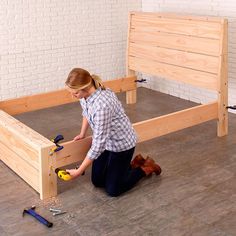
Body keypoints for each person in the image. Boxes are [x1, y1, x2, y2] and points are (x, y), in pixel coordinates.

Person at [65, 68, 162, 197]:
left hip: (121, 145)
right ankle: (131, 165)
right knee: (97, 181)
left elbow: (98, 145)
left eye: (75, 93)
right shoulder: (85, 95)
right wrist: (83, 133)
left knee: (113, 190)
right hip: (106, 143)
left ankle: (144, 168)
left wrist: (79, 171)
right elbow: (86, 113)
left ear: (85, 88)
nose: (73, 96)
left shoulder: (102, 106)